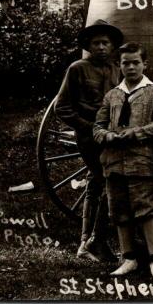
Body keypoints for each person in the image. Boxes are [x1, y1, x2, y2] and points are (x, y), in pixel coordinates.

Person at [93, 42, 153, 279]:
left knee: (146, 208)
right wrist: (108, 136)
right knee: (119, 210)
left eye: (135, 62)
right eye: (125, 63)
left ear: (144, 64)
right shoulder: (112, 95)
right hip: (114, 162)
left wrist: (136, 133)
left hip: (140, 160)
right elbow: (97, 127)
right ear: (119, 65)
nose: (130, 67)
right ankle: (129, 258)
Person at [54, 19, 123, 262]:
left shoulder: (117, 70)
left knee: (95, 183)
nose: (101, 47)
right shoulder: (77, 69)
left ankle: (86, 242)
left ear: (112, 46)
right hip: (89, 138)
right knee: (108, 181)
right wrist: (88, 127)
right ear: (88, 46)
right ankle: (98, 239)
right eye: (96, 43)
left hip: (112, 137)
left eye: (105, 43)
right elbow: (61, 107)